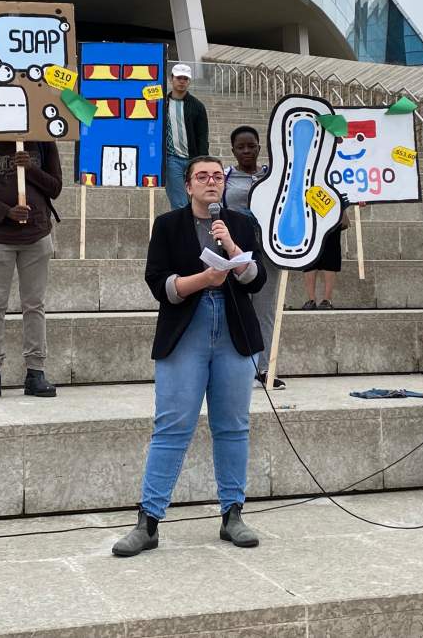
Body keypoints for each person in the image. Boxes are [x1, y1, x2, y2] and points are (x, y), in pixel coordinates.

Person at [112, 155, 267, 556]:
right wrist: (203, 279)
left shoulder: (242, 223)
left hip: (232, 329)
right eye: (203, 176)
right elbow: (157, 283)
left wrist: (233, 250)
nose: (212, 182)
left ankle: (233, 513)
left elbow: (257, 280)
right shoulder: (167, 225)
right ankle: (148, 521)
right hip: (187, 326)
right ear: (188, 185)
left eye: (217, 176)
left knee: (233, 425)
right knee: (172, 425)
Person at [0, 139, 62, 400]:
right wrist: (6, 212)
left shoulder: (44, 141)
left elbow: (55, 188)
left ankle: (36, 371)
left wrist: (30, 168)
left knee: (34, 305)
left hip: (37, 234)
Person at [221, 125, 283, 389]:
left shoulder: (273, 175)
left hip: (269, 249)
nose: (246, 151)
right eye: (240, 147)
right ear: (233, 150)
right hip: (235, 250)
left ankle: (264, 368)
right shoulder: (224, 177)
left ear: (259, 147)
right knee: (234, 307)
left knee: (265, 310)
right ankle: (233, 367)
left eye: (251, 146)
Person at [163, 63, 209, 209]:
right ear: (171, 79)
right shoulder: (161, 103)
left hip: (193, 159)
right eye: (178, 78)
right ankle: (182, 230)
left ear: (189, 81)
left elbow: (202, 136)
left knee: (197, 199)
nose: (182, 81)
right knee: (179, 202)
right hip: (172, 159)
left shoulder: (197, 106)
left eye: (185, 78)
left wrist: (203, 161)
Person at [301, 198, 348, 310]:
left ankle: (327, 300)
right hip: (310, 207)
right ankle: (311, 299)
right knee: (309, 255)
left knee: (330, 253)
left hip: (332, 206)